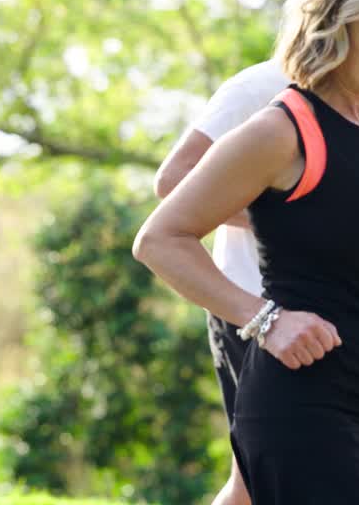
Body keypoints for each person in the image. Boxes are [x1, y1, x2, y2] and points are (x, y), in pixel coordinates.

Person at [134, 0, 359, 503]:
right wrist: (264, 320)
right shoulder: (280, 130)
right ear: (337, 20)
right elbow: (159, 238)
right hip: (303, 409)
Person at [153, 59, 288, 505]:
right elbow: (174, 179)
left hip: (325, 313)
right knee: (255, 481)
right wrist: (287, 224)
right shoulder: (261, 86)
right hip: (252, 308)